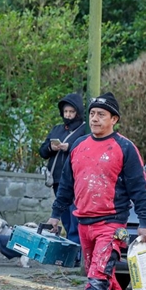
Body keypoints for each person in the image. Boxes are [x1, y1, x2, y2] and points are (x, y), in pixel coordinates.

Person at [46, 92, 146, 290]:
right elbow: (66, 186)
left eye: (101, 115)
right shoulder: (79, 146)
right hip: (83, 221)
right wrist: (55, 215)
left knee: (99, 273)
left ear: (114, 119)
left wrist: (144, 222)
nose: (95, 119)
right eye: (92, 114)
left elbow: (139, 187)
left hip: (112, 223)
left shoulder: (125, 147)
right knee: (102, 273)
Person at [39, 94, 86, 248]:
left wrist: (70, 147)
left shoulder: (84, 129)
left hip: (75, 180)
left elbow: (87, 150)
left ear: (78, 112)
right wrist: (50, 147)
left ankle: (77, 251)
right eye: (66, 112)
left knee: (74, 217)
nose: (68, 115)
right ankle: (72, 249)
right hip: (57, 179)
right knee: (65, 217)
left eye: (71, 112)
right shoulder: (57, 129)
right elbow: (43, 152)